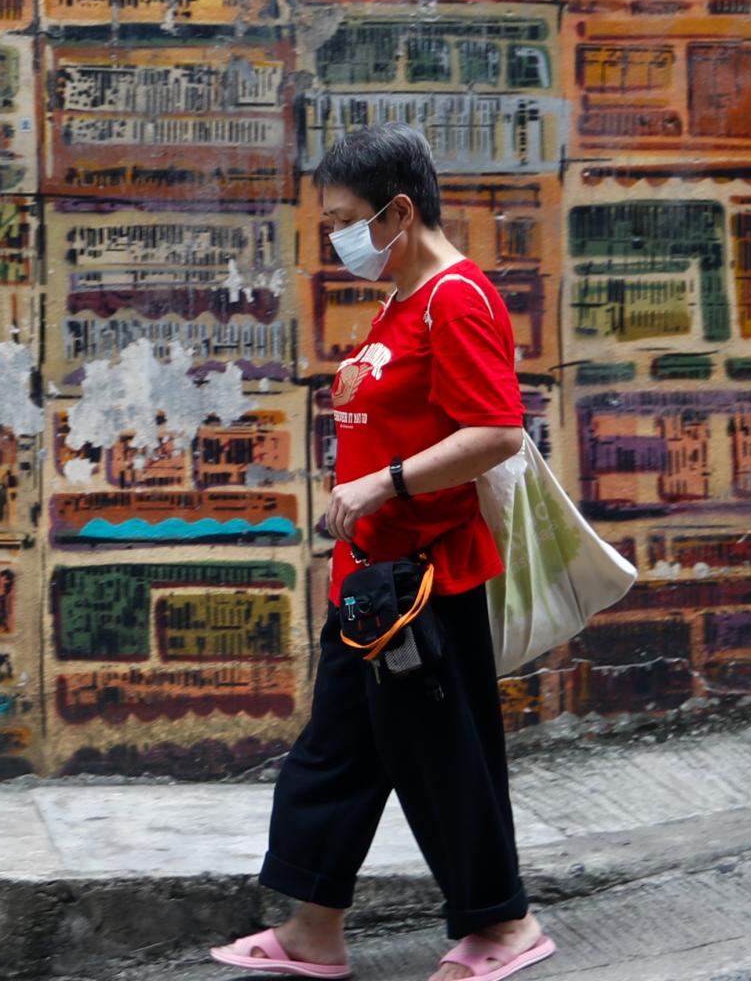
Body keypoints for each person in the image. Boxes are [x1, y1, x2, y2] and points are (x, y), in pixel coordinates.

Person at [210, 125, 557, 981]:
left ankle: (505, 928)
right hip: (373, 584)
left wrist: (382, 485)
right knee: (336, 757)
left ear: (399, 210)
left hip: (424, 584)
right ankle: (310, 932)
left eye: (346, 220)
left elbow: (496, 433)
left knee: (442, 762)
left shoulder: (455, 298)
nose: (338, 241)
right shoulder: (403, 300)